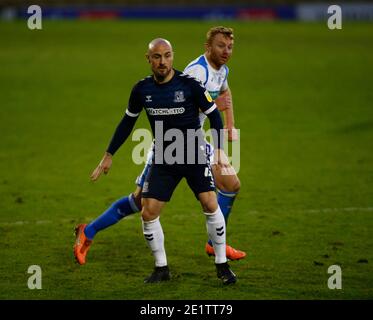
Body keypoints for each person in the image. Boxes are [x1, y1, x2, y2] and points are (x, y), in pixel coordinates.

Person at [74, 26, 245, 267]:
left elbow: (225, 95)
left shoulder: (221, 70)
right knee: (140, 202)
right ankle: (88, 231)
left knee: (230, 183)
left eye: (230, 47)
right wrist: (108, 154)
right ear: (208, 48)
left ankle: (214, 241)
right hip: (170, 142)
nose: (226, 51)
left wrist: (229, 125)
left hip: (194, 141)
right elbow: (185, 104)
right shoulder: (197, 71)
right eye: (221, 46)